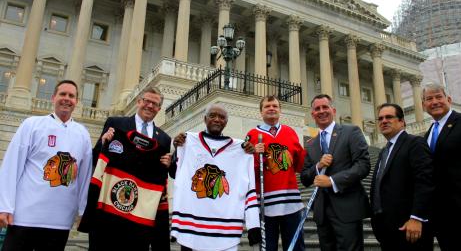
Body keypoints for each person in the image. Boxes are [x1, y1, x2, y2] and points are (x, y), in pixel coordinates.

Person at [0, 80, 92, 250]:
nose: (67, 99)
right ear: (53, 98)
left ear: (76, 102)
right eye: (62, 94)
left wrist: (82, 211)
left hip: (60, 221)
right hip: (24, 217)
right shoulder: (32, 124)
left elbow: (85, 177)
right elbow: (11, 166)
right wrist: (4, 206)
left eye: (71, 96)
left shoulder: (83, 134)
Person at [78, 86, 172, 250]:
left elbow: (165, 176)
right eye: (147, 101)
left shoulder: (164, 139)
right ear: (138, 102)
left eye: (155, 104)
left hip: (139, 220)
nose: (150, 106)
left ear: (159, 109)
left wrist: (170, 164)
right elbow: (95, 159)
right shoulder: (115, 124)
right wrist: (103, 143)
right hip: (109, 214)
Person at [170, 103, 260, 250]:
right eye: (212, 116)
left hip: (224, 232)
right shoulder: (187, 141)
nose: (217, 119)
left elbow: (249, 189)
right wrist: (177, 151)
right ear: (205, 119)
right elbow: (176, 175)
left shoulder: (241, 149)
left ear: (226, 122)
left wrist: (253, 225)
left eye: (222, 117)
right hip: (191, 229)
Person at [300, 94, 370, 251]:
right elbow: (304, 178)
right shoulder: (311, 144)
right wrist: (318, 166)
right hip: (322, 214)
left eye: (325, 107)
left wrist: (332, 181)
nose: (321, 111)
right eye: (317, 108)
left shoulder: (351, 132)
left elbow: (363, 165)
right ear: (312, 114)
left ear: (333, 110)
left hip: (347, 209)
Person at [422, 83, 461, 251]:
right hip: (442, 216)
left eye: (438, 97)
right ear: (424, 105)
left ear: (448, 99)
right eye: (429, 99)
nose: (434, 102)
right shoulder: (429, 133)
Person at [244, 95, 306, 251]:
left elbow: (300, 165)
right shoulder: (252, 135)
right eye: (267, 106)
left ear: (280, 110)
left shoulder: (290, 132)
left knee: (295, 247)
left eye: (275, 106)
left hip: (290, 202)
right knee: (268, 248)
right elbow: (245, 170)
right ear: (261, 111)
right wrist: (254, 155)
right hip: (265, 203)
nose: (271, 108)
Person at [371, 103, 434, 251]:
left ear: (401, 121)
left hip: (409, 227)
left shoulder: (415, 143)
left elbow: (425, 181)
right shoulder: (384, 151)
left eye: (389, 117)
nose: (383, 121)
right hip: (386, 229)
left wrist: (417, 217)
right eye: (380, 118)